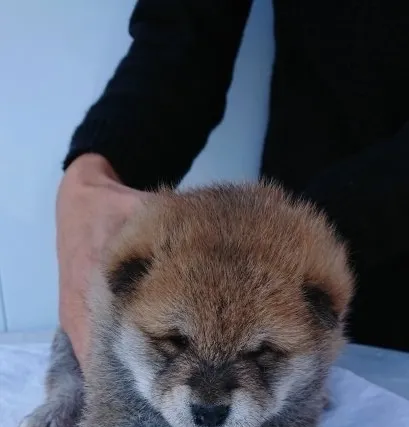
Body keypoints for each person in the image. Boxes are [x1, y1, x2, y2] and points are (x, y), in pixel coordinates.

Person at [57, 0, 409, 368]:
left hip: (298, 282)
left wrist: (295, 235)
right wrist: (97, 170)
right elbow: (183, 34)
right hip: (283, 261)